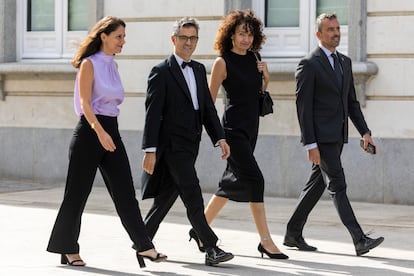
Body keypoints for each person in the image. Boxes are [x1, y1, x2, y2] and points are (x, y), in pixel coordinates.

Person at [46, 16, 166, 268]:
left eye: (124, 36)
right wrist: (99, 132)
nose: (123, 41)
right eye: (119, 36)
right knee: (77, 194)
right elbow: (85, 105)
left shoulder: (113, 65)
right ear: (104, 36)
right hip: (90, 133)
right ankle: (68, 249)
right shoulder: (89, 64)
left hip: (111, 130)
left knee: (125, 192)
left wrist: (107, 133)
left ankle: (144, 246)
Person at [187, 9, 288, 260]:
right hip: (232, 131)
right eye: (241, 33)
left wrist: (266, 77)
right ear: (230, 35)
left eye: (250, 34)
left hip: (250, 129)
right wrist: (215, 136)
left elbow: (256, 96)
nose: (246, 39)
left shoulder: (255, 58)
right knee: (255, 180)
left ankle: (199, 229)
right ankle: (265, 241)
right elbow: (208, 101)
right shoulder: (222, 62)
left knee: (229, 184)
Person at [284, 13, 384, 256]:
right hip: (321, 139)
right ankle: (359, 239)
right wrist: (310, 144)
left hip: (338, 135)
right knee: (338, 184)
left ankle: (292, 233)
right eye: (330, 29)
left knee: (317, 185)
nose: (336, 33)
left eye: (338, 28)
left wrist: (365, 131)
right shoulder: (309, 64)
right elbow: (303, 108)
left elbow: (351, 103)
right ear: (318, 34)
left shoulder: (345, 62)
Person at [140, 17, 234, 266]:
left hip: (191, 144)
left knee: (167, 197)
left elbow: (207, 109)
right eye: (184, 38)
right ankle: (210, 246)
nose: (189, 43)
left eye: (193, 38)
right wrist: (150, 150)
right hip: (171, 146)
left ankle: (142, 241)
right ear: (174, 40)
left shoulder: (198, 69)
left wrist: (219, 138)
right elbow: (152, 114)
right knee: (192, 193)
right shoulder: (161, 72)